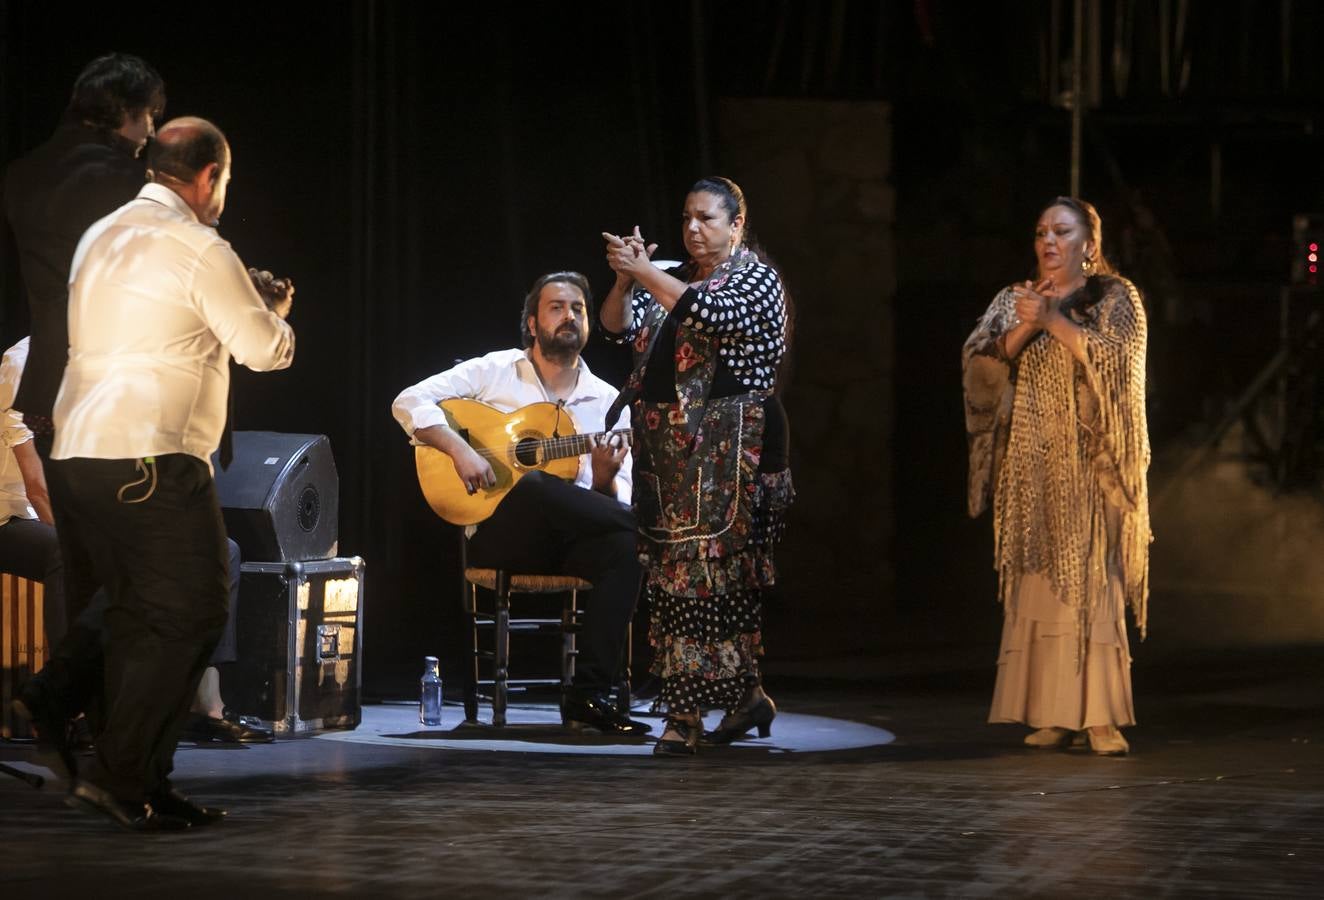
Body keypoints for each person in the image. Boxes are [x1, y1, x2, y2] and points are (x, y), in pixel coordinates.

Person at [45, 117, 295, 831]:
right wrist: (274, 312)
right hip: (150, 454)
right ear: (211, 176)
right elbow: (261, 350)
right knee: (195, 611)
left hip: (80, 451)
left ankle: (116, 755)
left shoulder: (101, 233)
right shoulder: (198, 245)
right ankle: (119, 770)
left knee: (136, 609)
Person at [391, 271, 649, 736]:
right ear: (532, 323)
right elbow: (408, 400)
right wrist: (460, 449)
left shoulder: (610, 403)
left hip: (569, 542)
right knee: (533, 485)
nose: (568, 315)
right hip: (501, 535)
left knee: (627, 551)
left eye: (578, 308)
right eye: (556, 307)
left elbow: (607, 509)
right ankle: (653, 532)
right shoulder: (495, 370)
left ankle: (587, 695)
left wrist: (607, 480)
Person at [3, 53, 165, 764]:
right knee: (152, 562)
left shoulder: (23, 173)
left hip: (49, 392)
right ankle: (80, 703)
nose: (150, 128)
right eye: (148, 114)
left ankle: (80, 714)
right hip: (114, 388)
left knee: (86, 560)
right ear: (122, 111)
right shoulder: (128, 180)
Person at [600, 176, 794, 756]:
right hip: (671, 452)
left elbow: (708, 315)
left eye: (706, 219)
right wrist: (622, 278)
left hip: (732, 449)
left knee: (710, 578)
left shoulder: (754, 278)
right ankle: (746, 698)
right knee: (673, 578)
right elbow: (617, 327)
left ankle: (684, 715)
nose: (692, 229)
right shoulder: (675, 276)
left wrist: (645, 273)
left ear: (736, 225)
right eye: (686, 217)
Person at [962, 196, 1151, 756]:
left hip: (1090, 465)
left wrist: (1054, 321)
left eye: (1062, 231)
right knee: (1040, 582)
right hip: (1033, 462)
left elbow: (1120, 364)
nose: (1048, 241)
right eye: (1041, 230)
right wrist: (1025, 326)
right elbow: (979, 369)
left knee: (1092, 581)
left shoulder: (1115, 298)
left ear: (1088, 244)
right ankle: (1052, 712)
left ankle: (1100, 717)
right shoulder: (1012, 299)